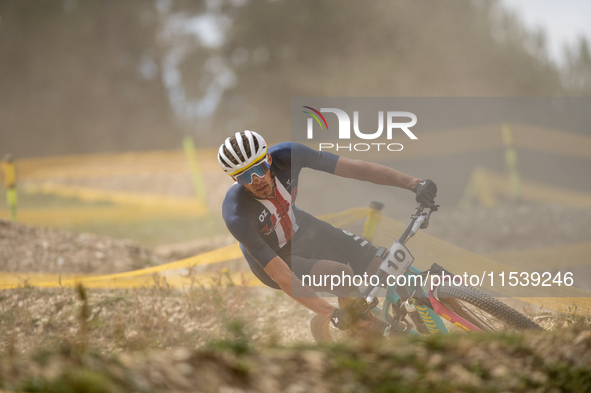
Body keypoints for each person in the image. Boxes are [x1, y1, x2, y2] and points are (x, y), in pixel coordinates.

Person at [219, 131, 437, 331]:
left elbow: (355, 168)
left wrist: (414, 183)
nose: (256, 181)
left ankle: (420, 318)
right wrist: (332, 313)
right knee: (341, 277)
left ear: (268, 159)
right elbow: (281, 275)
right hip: (276, 257)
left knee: (384, 267)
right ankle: (364, 341)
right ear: (234, 180)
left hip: (303, 229)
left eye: (258, 169)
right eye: (245, 176)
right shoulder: (236, 214)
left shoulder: (288, 156)